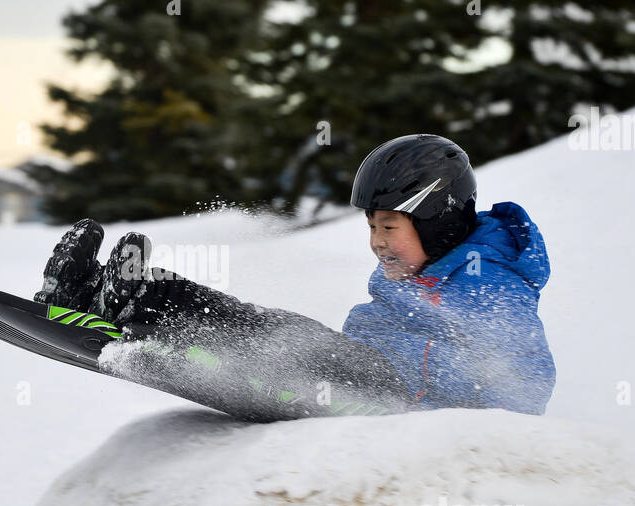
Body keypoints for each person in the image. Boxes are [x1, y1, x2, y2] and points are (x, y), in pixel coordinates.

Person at [33, 134, 555, 415]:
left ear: (438, 220)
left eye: (390, 226)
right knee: (272, 328)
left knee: (289, 342)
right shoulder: (425, 272)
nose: (377, 241)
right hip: (365, 370)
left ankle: (141, 310)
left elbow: (525, 386)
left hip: (398, 400)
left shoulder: (492, 284)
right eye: (372, 226)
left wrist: (441, 392)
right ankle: (111, 297)